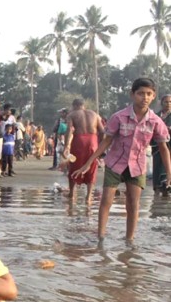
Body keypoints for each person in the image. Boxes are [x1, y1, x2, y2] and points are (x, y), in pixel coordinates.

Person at [72, 77, 171, 241]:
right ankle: (101, 237)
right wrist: (88, 163)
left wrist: (169, 172)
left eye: (148, 94)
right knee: (106, 200)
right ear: (132, 95)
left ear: (153, 96)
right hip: (115, 163)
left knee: (133, 204)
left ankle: (129, 239)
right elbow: (106, 141)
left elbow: (163, 149)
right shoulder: (119, 117)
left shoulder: (156, 122)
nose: (144, 97)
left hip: (138, 166)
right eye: (140, 93)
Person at [63, 98, 104, 205]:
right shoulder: (94, 114)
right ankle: (88, 197)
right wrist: (100, 146)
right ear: (83, 105)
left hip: (78, 141)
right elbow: (102, 131)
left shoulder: (72, 115)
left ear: (74, 106)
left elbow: (69, 130)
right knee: (92, 167)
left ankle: (72, 194)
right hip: (93, 141)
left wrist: (66, 146)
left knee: (73, 166)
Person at [152, 94, 171, 194]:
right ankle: (157, 187)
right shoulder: (156, 116)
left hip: (169, 145)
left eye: (170, 102)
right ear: (162, 103)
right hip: (157, 146)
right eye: (166, 102)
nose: (168, 104)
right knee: (157, 166)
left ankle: (166, 185)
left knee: (167, 165)